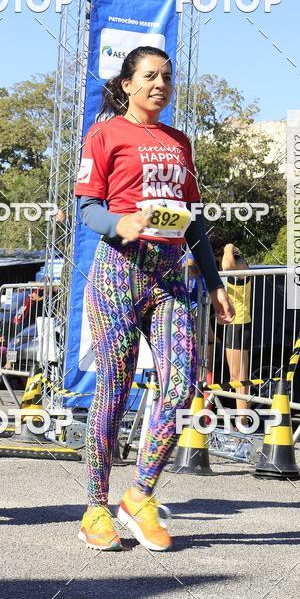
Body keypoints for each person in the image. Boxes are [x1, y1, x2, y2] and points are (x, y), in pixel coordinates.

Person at [74, 46, 234, 552]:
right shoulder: (104, 134)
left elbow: (195, 223)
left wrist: (214, 281)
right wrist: (118, 222)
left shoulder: (179, 142)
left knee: (183, 382)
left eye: (166, 76)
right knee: (114, 393)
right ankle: (96, 507)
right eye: (149, 76)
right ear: (127, 84)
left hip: (169, 280)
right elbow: (86, 208)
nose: (159, 84)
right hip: (119, 272)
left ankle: (139, 495)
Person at [221, 243, 252, 426]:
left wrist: (229, 246)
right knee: (235, 377)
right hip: (234, 323)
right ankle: (241, 420)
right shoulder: (237, 266)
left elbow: (226, 265)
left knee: (239, 377)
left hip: (239, 323)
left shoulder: (240, 265)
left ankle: (244, 421)